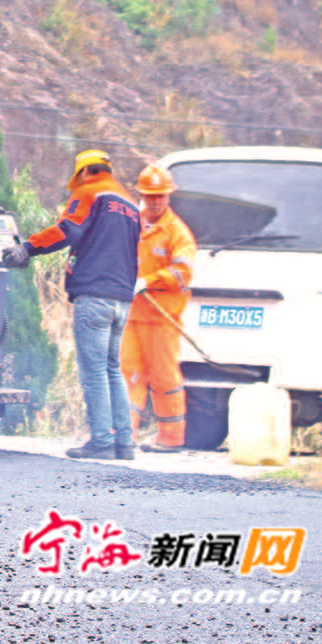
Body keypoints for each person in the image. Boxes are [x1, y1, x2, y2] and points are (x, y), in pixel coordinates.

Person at [3, 149, 141, 460]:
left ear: (83, 173)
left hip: (94, 294)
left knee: (93, 371)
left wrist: (28, 248)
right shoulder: (131, 204)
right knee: (111, 369)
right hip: (122, 298)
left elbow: (68, 230)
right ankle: (124, 443)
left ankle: (102, 442)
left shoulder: (89, 192)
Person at [122, 164, 197, 453]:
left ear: (169, 197)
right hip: (133, 316)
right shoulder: (133, 225)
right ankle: (122, 434)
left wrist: (150, 281)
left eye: (161, 196)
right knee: (128, 373)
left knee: (164, 376)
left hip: (162, 318)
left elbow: (183, 272)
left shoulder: (177, 233)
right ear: (141, 195)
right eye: (150, 196)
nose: (155, 201)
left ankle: (171, 438)